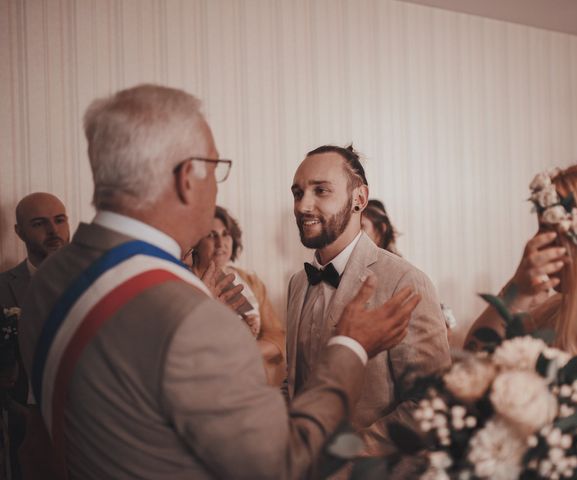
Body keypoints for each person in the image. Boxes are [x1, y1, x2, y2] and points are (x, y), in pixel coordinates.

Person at [18, 84, 422, 479]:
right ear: (186, 178)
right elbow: (282, 462)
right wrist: (350, 345)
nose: (302, 205)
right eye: (215, 167)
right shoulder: (191, 316)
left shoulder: (50, 278)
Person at [286, 145, 451, 454]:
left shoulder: (406, 282)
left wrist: (341, 460)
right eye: (297, 193)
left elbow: (431, 406)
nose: (303, 206)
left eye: (321, 191)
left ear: (359, 199)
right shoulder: (297, 284)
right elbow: (296, 383)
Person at [465, 158, 577, 405]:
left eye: (549, 231)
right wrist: (518, 290)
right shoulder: (551, 314)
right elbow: (472, 371)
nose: (535, 243)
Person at [0, 192, 70, 480]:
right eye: (40, 224)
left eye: (60, 220)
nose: (53, 231)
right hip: (27, 424)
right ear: (19, 232)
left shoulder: (99, 279)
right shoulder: (3, 288)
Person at [191, 206, 286, 386]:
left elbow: (278, 337)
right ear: (195, 242)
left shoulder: (251, 282)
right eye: (211, 235)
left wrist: (246, 350)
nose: (221, 243)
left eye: (226, 234)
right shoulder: (185, 282)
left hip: (254, 383)